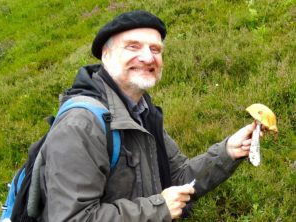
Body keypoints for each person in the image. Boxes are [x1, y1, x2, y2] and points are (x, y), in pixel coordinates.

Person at [38, 10, 256, 221]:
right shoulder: (80, 125)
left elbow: (178, 178)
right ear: (106, 54)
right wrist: (158, 209)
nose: (147, 57)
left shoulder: (142, 112)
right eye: (133, 47)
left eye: (155, 49)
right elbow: (72, 217)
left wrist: (228, 152)